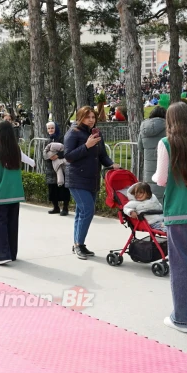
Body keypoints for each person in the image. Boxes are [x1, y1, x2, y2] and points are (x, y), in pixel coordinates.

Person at [152, 102, 187, 333]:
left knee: (181, 266)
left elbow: (161, 179)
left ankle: (185, 318)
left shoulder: (167, 143)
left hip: (180, 212)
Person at [64, 106, 118, 260]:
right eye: (87, 117)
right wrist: (86, 146)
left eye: (93, 117)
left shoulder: (96, 133)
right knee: (88, 210)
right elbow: (68, 156)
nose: (91, 120)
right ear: (80, 117)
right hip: (77, 179)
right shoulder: (73, 133)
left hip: (92, 179)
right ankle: (79, 245)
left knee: (82, 212)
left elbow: (102, 155)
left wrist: (111, 164)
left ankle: (77, 243)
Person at [0, 121, 35, 265]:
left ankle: (1, 255)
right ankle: (12, 253)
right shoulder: (16, 148)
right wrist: (33, 163)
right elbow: (25, 158)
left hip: (0, 194)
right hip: (15, 194)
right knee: (12, 224)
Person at [139, 106, 167, 202]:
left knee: (151, 195)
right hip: (164, 165)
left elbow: (140, 146)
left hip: (148, 166)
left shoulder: (143, 127)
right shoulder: (167, 126)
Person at [44, 121, 70, 216]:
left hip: (62, 166)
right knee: (52, 188)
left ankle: (65, 208)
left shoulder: (62, 138)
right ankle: (56, 207)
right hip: (51, 167)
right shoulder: (48, 140)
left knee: (64, 187)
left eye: (52, 128)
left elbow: (66, 150)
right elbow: (44, 152)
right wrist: (48, 156)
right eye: (49, 128)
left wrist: (57, 155)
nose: (50, 130)